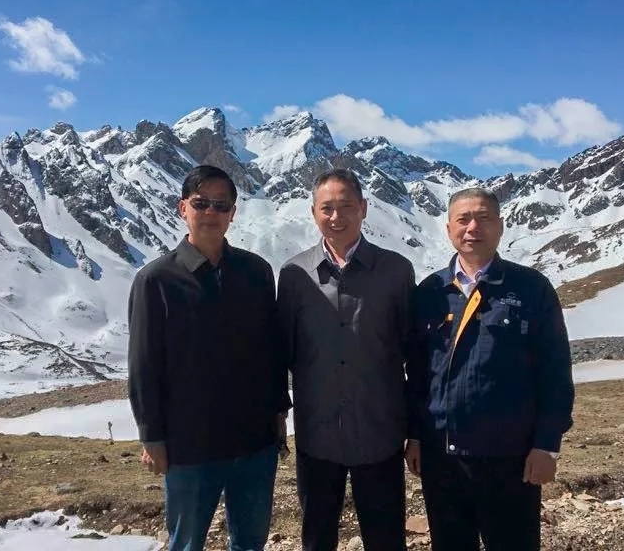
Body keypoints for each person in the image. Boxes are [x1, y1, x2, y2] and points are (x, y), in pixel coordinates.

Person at [127, 165, 291, 551]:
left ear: (233, 213)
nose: (211, 213)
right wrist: (152, 437)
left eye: (221, 205)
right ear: (183, 207)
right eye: (201, 203)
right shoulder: (155, 281)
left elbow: (271, 350)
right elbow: (144, 365)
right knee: (187, 544)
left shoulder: (256, 272)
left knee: (250, 543)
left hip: (255, 441)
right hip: (190, 445)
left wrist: (279, 412)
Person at [404, 187, 575, 551]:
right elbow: (418, 374)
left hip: (510, 459)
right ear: (448, 228)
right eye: (463, 219)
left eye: (483, 218)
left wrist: (547, 445)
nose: (473, 228)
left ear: (500, 226)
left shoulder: (532, 289)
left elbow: (555, 373)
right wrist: (415, 436)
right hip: (443, 458)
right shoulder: (429, 292)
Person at [277, 168, 415, 551]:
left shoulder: (396, 271)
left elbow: (414, 353)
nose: (336, 217)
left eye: (346, 207)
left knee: (386, 540)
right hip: (317, 436)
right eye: (327, 208)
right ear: (313, 212)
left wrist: (416, 430)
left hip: (379, 433)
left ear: (364, 209)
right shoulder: (294, 275)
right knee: (317, 539)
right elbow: (282, 352)